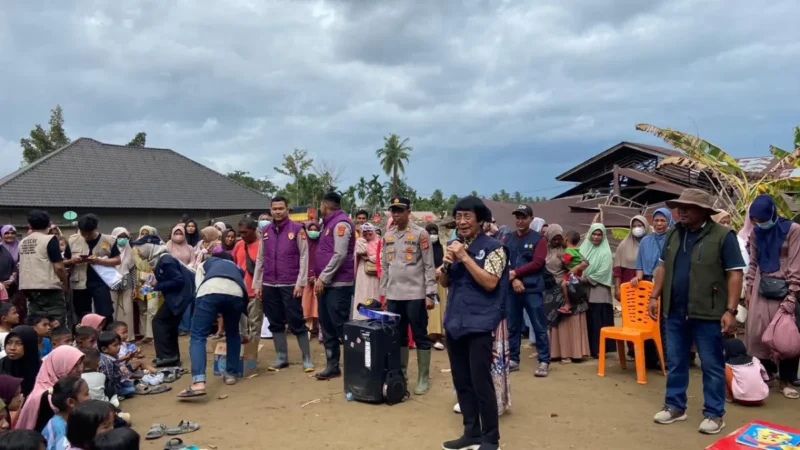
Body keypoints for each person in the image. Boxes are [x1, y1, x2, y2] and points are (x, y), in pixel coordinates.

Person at [649, 189, 744, 435]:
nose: (682, 210)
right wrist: (654, 296)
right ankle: (675, 407)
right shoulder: (672, 234)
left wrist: (731, 310)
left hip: (708, 313)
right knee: (676, 361)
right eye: (680, 206)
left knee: (711, 364)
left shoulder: (723, 236)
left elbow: (735, 273)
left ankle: (714, 414)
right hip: (675, 310)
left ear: (704, 211)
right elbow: (661, 267)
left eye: (689, 207)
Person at [439, 196, 507, 450]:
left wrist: (465, 258)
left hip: (480, 324)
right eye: (458, 217)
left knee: (481, 382)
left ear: (479, 220)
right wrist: (447, 265)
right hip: (455, 321)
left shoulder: (495, 248)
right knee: (462, 381)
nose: (462, 221)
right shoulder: (453, 245)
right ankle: (471, 432)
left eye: (467, 216)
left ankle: (491, 438)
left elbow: (490, 282)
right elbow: (445, 283)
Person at [743, 194, 800, 399]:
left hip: (786, 286)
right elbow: (753, 262)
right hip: (761, 285)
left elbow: (795, 262)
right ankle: (768, 374)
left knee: (786, 335)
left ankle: (786, 379)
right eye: (755, 220)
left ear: (772, 213)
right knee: (759, 332)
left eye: (762, 219)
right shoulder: (757, 233)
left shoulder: (793, 230)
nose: (759, 223)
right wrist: (749, 288)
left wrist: (793, 293)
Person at [380, 198, 436, 394]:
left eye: (400, 211)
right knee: (398, 336)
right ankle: (401, 374)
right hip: (394, 294)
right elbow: (385, 267)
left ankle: (423, 377)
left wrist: (430, 293)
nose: (396, 214)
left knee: (420, 334)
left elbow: (429, 266)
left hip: (415, 293)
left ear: (408, 212)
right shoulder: (387, 236)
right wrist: (384, 293)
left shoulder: (421, 235)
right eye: (393, 211)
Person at [252, 196, 312, 373]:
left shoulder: (298, 229)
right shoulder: (266, 231)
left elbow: (304, 256)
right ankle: (281, 357)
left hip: (290, 282)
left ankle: (307, 358)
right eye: (274, 208)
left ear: (287, 209)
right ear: (270, 210)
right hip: (270, 283)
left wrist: (301, 283)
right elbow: (261, 258)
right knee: (275, 321)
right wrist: (257, 284)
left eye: (281, 208)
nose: (277, 211)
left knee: (296, 320)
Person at [178, 252, 248, 398]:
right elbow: (243, 292)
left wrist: (207, 309)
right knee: (232, 333)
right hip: (236, 294)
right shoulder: (237, 268)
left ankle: (198, 382)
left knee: (198, 336)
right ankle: (231, 374)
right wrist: (244, 331)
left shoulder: (206, 263)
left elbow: (199, 288)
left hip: (209, 292)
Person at [131, 235, 195, 367]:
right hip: (177, 298)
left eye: (140, 248)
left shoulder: (165, 260)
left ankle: (166, 356)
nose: (138, 252)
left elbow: (178, 280)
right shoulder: (160, 259)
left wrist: (157, 286)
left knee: (159, 322)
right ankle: (172, 357)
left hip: (179, 298)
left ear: (148, 247)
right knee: (169, 325)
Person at [313, 192, 355, 380]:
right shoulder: (328, 223)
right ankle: (333, 365)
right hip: (326, 284)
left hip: (338, 284)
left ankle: (357, 365)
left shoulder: (340, 224)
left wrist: (323, 277)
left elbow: (340, 255)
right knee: (327, 325)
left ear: (324, 205)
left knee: (341, 326)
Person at [504, 204, 549, 376]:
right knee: (512, 326)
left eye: (524, 217)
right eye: (518, 217)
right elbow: (504, 260)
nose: (520, 220)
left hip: (532, 289)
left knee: (539, 326)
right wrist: (514, 278)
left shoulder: (539, 239)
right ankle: (513, 359)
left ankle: (544, 361)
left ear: (531, 219)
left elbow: (537, 263)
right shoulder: (508, 238)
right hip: (512, 288)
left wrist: (516, 273)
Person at [545, 225, 590, 363]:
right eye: (554, 238)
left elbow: (585, 262)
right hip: (550, 290)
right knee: (555, 322)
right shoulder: (543, 250)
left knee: (568, 320)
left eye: (559, 238)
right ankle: (556, 353)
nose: (557, 241)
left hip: (568, 288)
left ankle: (572, 353)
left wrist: (574, 267)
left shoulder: (567, 250)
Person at [18, 211, 69, 329]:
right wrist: (65, 283)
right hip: (48, 287)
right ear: (49, 224)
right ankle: (57, 345)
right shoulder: (50, 239)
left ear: (29, 225)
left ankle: (39, 345)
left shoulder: (22, 242)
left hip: (28, 288)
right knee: (56, 322)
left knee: (36, 323)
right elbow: (59, 267)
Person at [69, 214, 121, 326]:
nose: (86, 235)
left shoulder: (108, 240)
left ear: (96, 228)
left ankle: (107, 337)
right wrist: (73, 260)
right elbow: (63, 260)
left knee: (105, 312)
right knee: (82, 313)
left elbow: (117, 260)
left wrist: (100, 261)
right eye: (83, 232)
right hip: (79, 282)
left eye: (89, 232)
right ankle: (83, 338)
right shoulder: (73, 240)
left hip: (100, 281)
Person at [16, 345, 84, 431]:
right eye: (74, 365)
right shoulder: (47, 396)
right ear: (59, 366)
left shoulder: (74, 386)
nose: (80, 369)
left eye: (81, 363)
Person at [613, 215, 649, 361]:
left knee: (646, 318)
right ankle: (631, 350)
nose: (637, 228)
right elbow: (617, 269)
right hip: (629, 288)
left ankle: (648, 350)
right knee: (630, 319)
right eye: (634, 225)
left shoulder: (651, 243)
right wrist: (617, 288)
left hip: (647, 286)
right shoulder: (623, 245)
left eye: (640, 225)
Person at [579, 223, 616, 359]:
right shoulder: (583, 248)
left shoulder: (605, 252)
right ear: (589, 234)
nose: (596, 237)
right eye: (594, 234)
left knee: (598, 320)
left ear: (603, 236)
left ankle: (600, 349)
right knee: (588, 319)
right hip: (584, 290)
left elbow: (603, 271)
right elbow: (576, 263)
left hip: (598, 289)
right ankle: (588, 348)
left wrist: (585, 278)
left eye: (599, 234)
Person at [232, 218, 263, 345]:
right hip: (239, 291)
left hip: (255, 291)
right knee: (240, 327)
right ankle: (239, 355)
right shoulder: (239, 245)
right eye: (240, 233)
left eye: (245, 232)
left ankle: (252, 355)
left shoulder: (263, 245)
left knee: (255, 324)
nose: (242, 235)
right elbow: (233, 265)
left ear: (254, 230)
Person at [42, 376, 90, 450]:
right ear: (71, 402)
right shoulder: (58, 428)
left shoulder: (74, 420)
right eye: (86, 394)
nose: (90, 397)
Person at [723, 338, 769, 405]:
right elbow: (764, 375)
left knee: (723, 370)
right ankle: (758, 390)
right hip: (761, 397)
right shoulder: (755, 360)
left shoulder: (728, 364)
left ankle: (728, 396)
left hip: (741, 398)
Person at [108, 228, 135, 342]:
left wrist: (134, 286)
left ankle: (128, 337)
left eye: (125, 237)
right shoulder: (108, 250)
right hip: (111, 281)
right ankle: (112, 336)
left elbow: (133, 270)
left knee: (127, 310)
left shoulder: (130, 251)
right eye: (120, 237)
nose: (122, 240)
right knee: (112, 308)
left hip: (126, 282)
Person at [0, 326, 41, 396]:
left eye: (19, 343)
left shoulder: (42, 369)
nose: (12, 348)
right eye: (9, 342)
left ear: (29, 345)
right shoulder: (1, 365)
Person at [425, 223, 447, 351]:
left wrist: (439, 270)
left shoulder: (442, 247)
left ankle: (438, 336)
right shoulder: (423, 247)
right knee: (428, 309)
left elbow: (446, 262)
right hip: (426, 283)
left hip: (439, 282)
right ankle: (428, 336)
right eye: (430, 232)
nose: (432, 235)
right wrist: (430, 272)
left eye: (434, 232)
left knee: (438, 308)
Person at [352, 223, 380, 320]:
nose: (367, 233)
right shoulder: (360, 241)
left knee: (375, 294)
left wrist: (369, 258)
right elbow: (361, 251)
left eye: (369, 230)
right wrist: (360, 236)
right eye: (365, 231)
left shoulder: (379, 242)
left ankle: (374, 318)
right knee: (363, 294)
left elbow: (381, 257)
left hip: (376, 274)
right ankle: (361, 318)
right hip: (362, 273)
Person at [98, 332, 134, 398]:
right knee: (131, 389)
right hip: (108, 386)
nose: (119, 347)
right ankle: (114, 395)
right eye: (115, 345)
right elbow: (109, 379)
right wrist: (120, 372)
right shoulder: (107, 362)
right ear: (104, 349)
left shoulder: (113, 355)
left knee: (130, 385)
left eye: (119, 344)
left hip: (116, 381)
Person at [301, 222, 320, 340]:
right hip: (305, 277)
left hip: (319, 278)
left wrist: (317, 275)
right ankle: (307, 328)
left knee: (317, 303)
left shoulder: (322, 243)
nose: (313, 231)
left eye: (315, 229)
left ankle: (317, 328)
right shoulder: (304, 243)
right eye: (311, 229)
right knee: (306, 303)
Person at [0, 226, 18, 307]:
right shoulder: (2, 248)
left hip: (14, 286)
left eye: (12, 233)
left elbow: (14, 267)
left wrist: (11, 279)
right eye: (6, 233)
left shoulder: (20, 246)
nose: (10, 235)